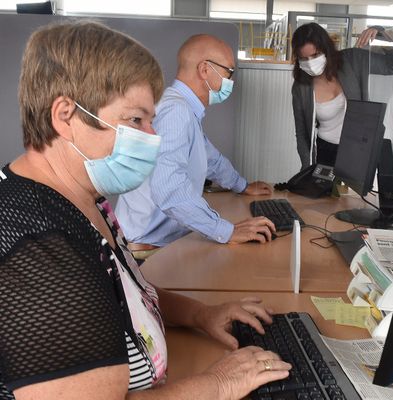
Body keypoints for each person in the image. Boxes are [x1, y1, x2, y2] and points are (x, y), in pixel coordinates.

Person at [0, 20, 290, 400]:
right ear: (65, 116)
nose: (153, 138)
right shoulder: (41, 255)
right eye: (135, 120)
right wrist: (218, 384)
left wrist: (200, 314)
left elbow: (124, 292)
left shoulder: (83, 198)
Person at [115, 34, 275, 259]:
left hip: (156, 239)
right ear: (205, 70)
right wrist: (226, 231)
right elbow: (169, 188)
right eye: (229, 72)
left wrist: (242, 185)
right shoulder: (176, 112)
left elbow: (211, 159)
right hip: (149, 248)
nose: (231, 80)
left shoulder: (183, 109)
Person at [291, 23, 393, 169]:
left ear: (326, 49)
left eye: (315, 55)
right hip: (325, 152)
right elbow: (301, 133)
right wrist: (306, 167)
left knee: (358, 191)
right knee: (326, 191)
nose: (310, 62)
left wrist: (379, 33)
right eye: (304, 58)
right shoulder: (300, 87)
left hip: (359, 148)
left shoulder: (352, 60)